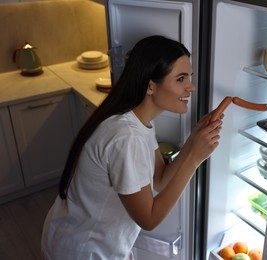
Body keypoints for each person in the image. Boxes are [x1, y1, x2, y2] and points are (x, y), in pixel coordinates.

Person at [41, 35, 223, 259]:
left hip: (80, 235)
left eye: (189, 77)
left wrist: (193, 142)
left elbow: (160, 178)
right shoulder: (127, 138)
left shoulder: (137, 120)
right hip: (84, 250)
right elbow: (149, 219)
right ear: (151, 86)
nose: (191, 87)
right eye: (181, 78)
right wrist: (194, 158)